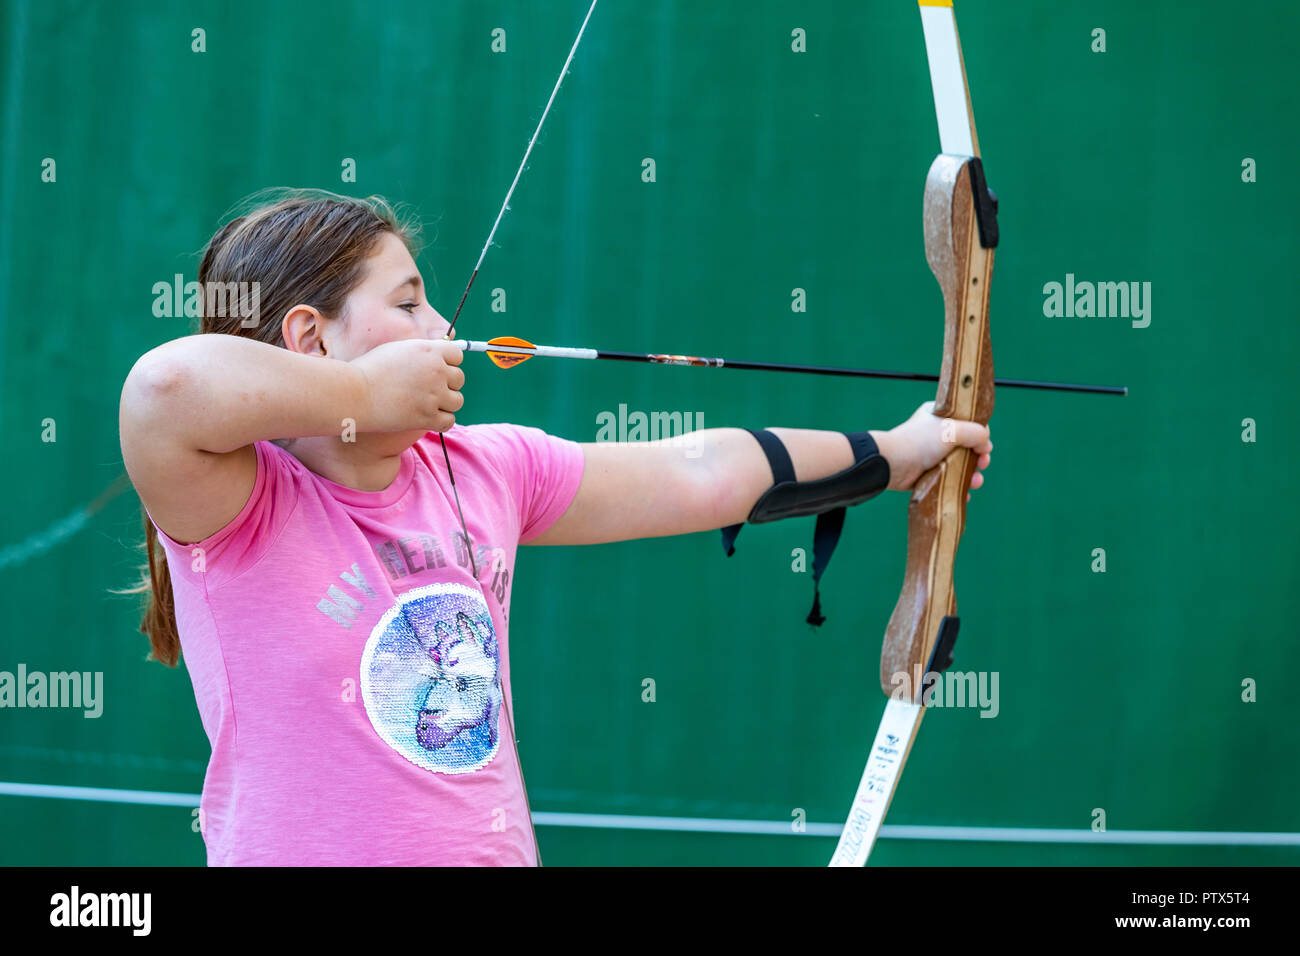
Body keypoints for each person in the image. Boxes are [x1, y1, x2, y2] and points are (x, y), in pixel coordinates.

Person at [118, 189, 993, 866]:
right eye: (411, 305)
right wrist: (368, 395)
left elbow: (702, 470)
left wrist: (895, 452)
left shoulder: (486, 470)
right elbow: (164, 390)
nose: (445, 331)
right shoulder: (240, 505)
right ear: (309, 337)